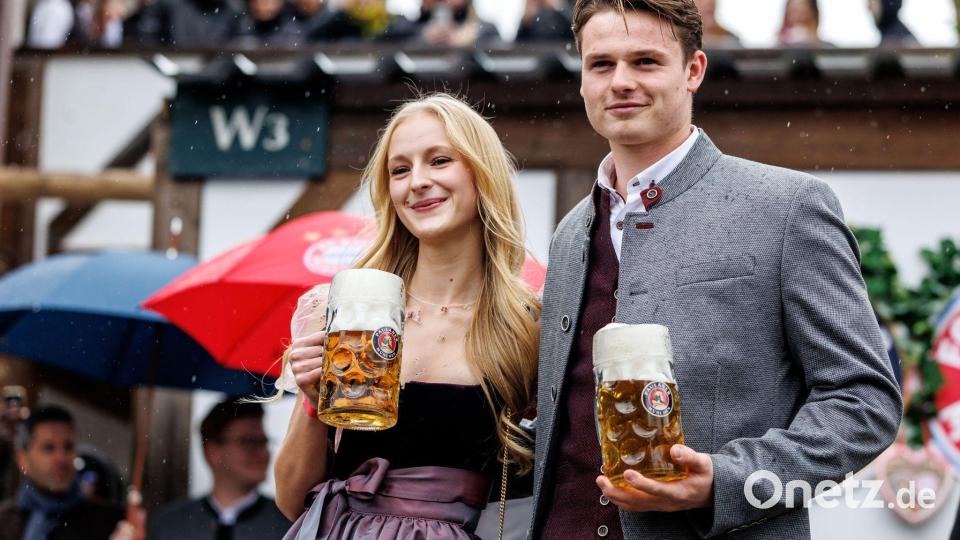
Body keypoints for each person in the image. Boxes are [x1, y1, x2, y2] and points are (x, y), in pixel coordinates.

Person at [529, 1, 903, 539]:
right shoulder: (570, 233)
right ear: (583, 79)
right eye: (601, 64)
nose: (621, 81)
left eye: (645, 61)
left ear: (694, 70)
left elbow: (864, 402)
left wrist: (729, 481)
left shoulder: (786, 207)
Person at [274, 93, 540, 539]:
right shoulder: (343, 311)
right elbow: (291, 500)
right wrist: (312, 403)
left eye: (439, 161)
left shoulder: (525, 326)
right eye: (400, 170)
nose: (417, 182)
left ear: (482, 173)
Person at [143, 399, 289, 540]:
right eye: (248, 442)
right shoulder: (170, 525)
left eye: (264, 442)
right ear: (213, 452)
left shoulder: (288, 525)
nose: (263, 453)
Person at [0, 405, 125, 540]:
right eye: (49, 448)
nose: (61, 458)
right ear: (23, 459)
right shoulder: (5, 523)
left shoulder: (107, 523)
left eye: (68, 447)